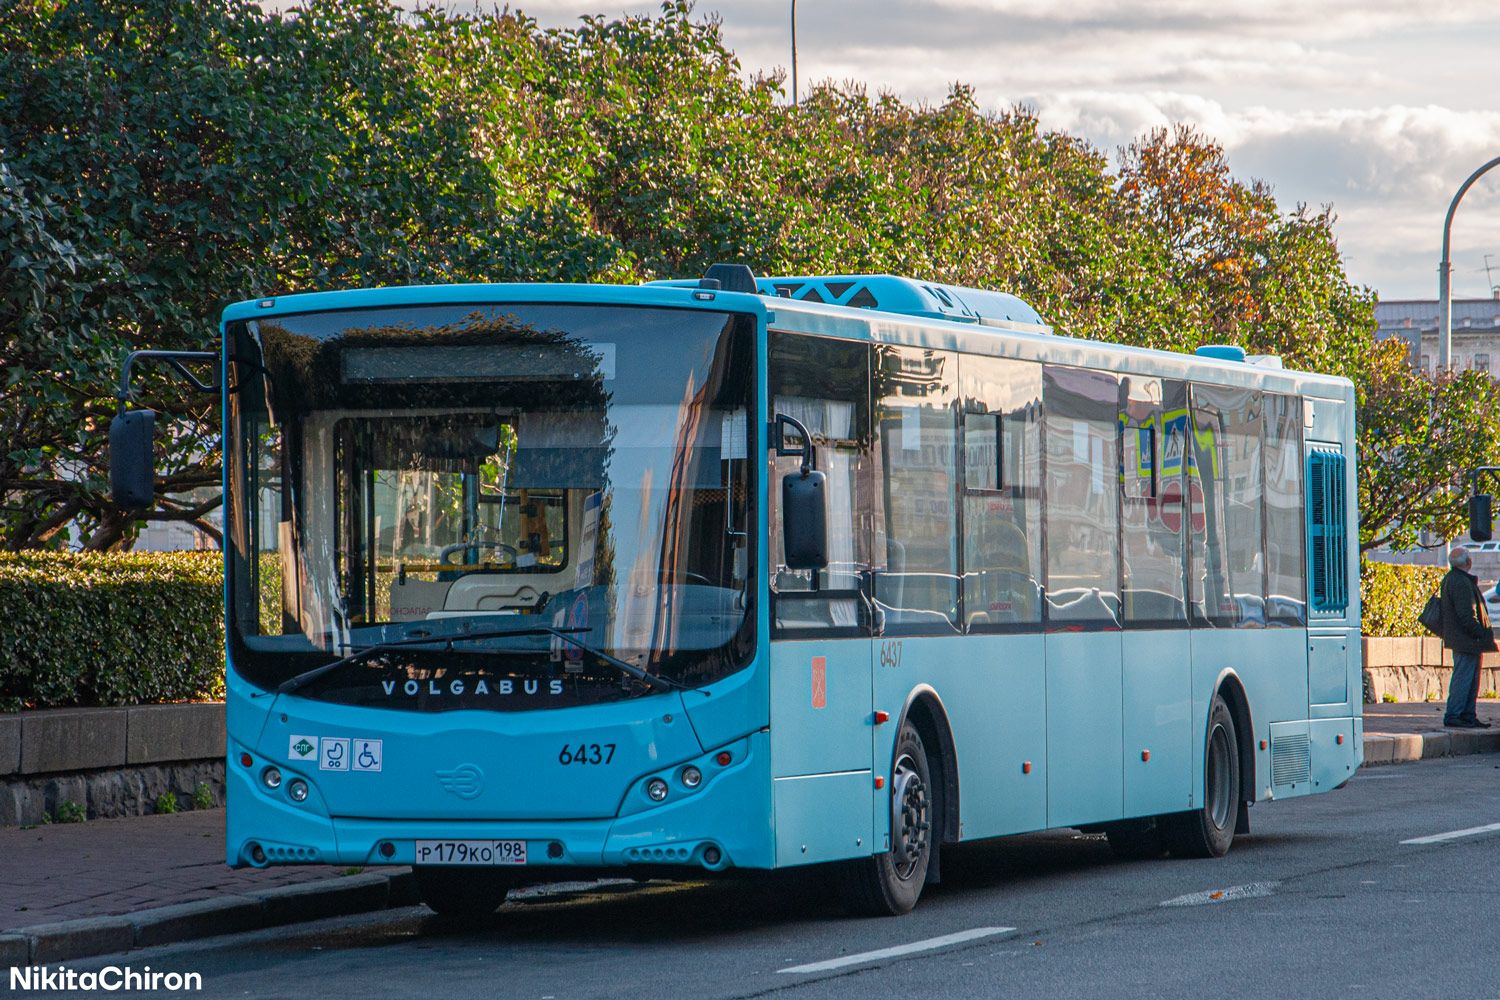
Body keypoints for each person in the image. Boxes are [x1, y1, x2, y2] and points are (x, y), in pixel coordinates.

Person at [1440, 545, 1496, 729]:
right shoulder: (1461, 582)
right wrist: (1482, 633)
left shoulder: (1454, 579)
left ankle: (1466, 714)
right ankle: (1456, 714)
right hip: (1467, 640)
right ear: (1468, 562)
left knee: (1469, 679)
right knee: (1464, 678)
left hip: (1465, 640)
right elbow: (1467, 615)